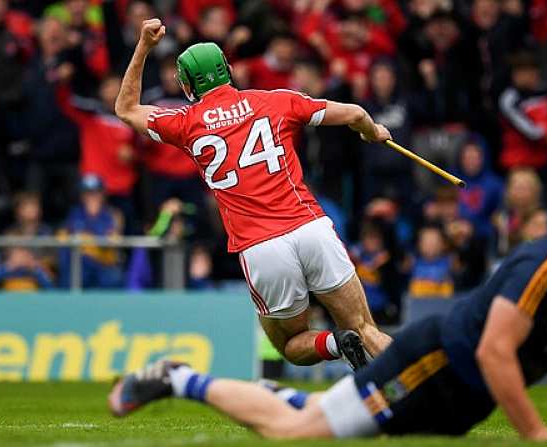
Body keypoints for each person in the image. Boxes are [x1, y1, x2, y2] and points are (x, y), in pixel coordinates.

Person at [109, 173, 547, 441]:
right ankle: (178, 377)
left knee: (320, 414)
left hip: (464, 401)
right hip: (436, 368)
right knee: (293, 432)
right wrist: (535, 432)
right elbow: (495, 351)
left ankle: (297, 376)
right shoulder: (546, 264)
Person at [113, 19, 393, 369]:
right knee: (366, 327)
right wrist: (372, 131)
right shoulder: (276, 101)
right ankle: (428, 387)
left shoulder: (184, 124)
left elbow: (125, 109)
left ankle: (336, 343)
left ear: (187, 85)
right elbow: (355, 112)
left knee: (291, 344)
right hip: (310, 228)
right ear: (227, 71)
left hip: (261, 248)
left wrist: (143, 46)